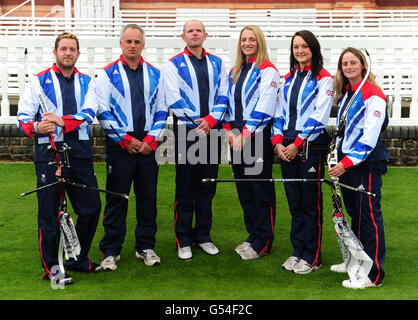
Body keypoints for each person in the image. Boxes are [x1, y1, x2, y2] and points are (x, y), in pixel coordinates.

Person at [17, 32, 102, 284]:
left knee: (91, 207)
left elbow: (89, 113)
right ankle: (53, 266)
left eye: (72, 49)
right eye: (63, 48)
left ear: (77, 53)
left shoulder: (87, 81)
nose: (68, 53)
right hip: (48, 153)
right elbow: (23, 117)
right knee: (49, 212)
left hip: (80, 153)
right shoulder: (39, 81)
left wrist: (61, 121)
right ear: (56, 52)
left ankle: (77, 257)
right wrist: (37, 127)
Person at [96, 24, 167, 270]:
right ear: (121, 43)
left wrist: (151, 140)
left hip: (148, 144)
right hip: (121, 145)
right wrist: (125, 140)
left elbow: (161, 110)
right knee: (117, 198)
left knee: (147, 198)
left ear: (143, 44)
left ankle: (145, 246)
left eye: (137, 41)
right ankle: (111, 250)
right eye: (128, 41)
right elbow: (103, 111)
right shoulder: (107, 74)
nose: (133, 45)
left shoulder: (156, 74)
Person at [163, 19, 229, 261]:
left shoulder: (217, 63)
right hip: (187, 133)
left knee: (207, 187)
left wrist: (210, 121)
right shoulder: (173, 65)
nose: (194, 34)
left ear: (205, 34)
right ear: (183, 37)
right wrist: (198, 123)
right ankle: (184, 239)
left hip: (211, 132)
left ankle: (203, 236)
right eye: (190, 31)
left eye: (198, 30)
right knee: (185, 187)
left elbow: (224, 94)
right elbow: (173, 99)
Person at [271, 30, 333, 274]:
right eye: (295, 47)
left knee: (310, 203)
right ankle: (298, 251)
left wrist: (297, 143)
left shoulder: (324, 79)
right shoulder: (288, 77)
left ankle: (313, 256)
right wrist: (278, 143)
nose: (299, 51)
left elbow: (319, 116)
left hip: (310, 145)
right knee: (295, 202)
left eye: (304, 46)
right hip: (286, 145)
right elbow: (278, 113)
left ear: (313, 49)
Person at [328, 47, 388, 289]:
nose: (349, 67)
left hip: (365, 164)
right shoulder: (348, 93)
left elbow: (369, 137)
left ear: (363, 65)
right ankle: (356, 260)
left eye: (353, 62)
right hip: (347, 163)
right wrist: (336, 156)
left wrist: (346, 162)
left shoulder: (373, 94)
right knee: (354, 213)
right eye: (345, 63)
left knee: (369, 217)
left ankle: (372, 275)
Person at [223, 25, 279, 260]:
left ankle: (264, 240)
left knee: (260, 189)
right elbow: (225, 101)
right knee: (244, 188)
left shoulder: (267, 70)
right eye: (244, 39)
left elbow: (264, 106)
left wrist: (245, 134)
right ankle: (253, 234)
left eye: (251, 39)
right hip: (236, 136)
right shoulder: (235, 70)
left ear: (259, 42)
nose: (247, 43)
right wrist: (228, 131)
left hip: (255, 136)